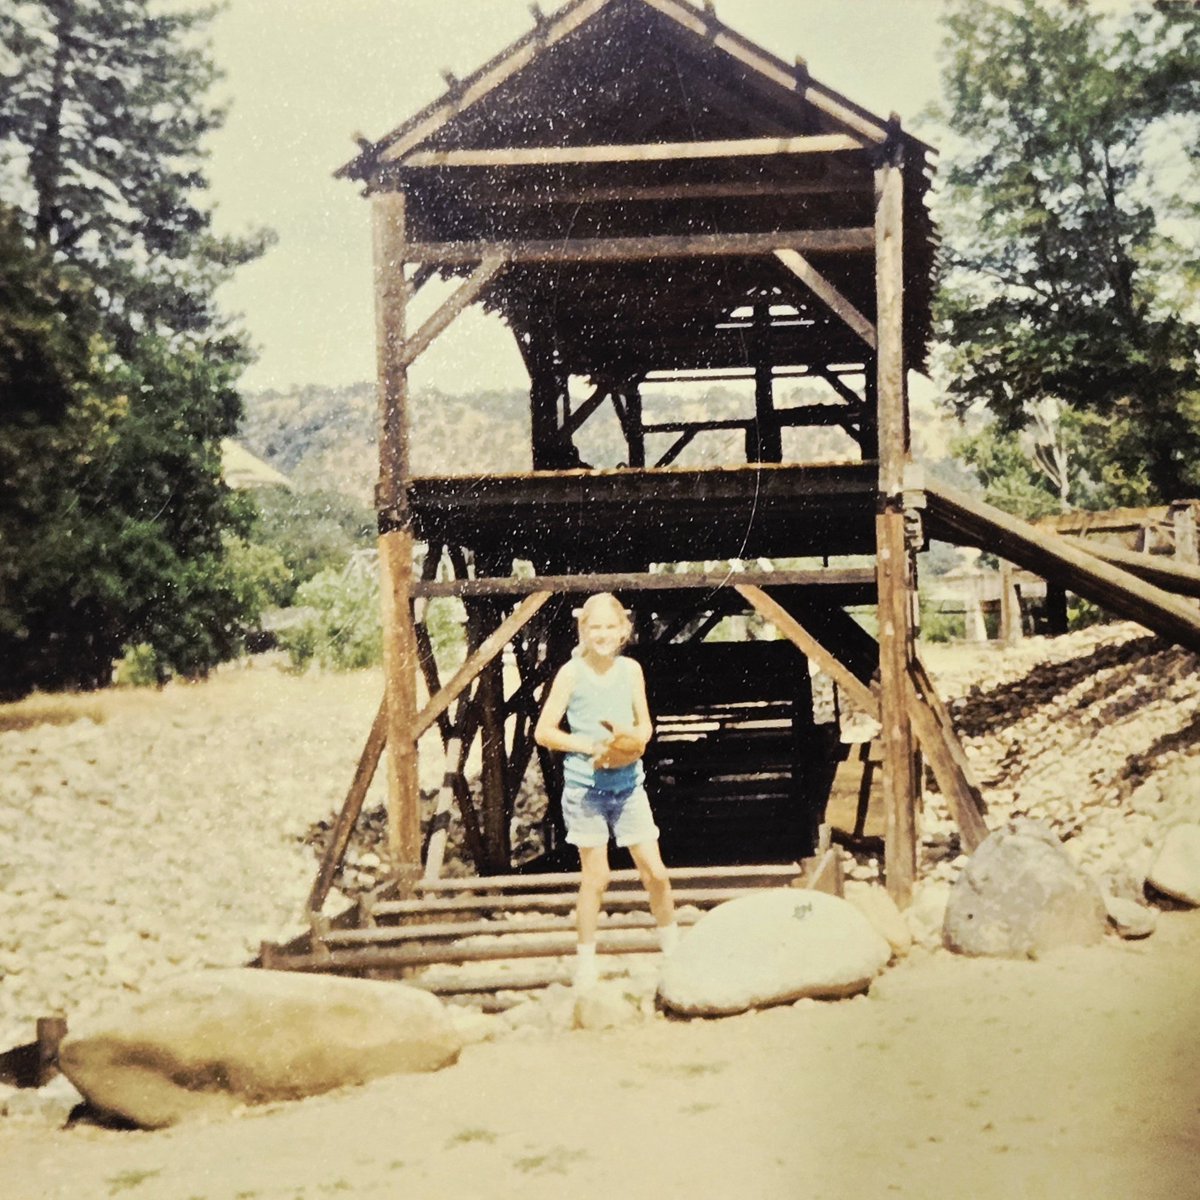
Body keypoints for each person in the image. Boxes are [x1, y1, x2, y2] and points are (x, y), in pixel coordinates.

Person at [534, 593, 678, 990]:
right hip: (585, 790)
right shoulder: (571, 673)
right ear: (583, 631)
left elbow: (646, 728)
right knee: (596, 878)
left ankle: (674, 951)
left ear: (623, 631)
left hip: (629, 786)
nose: (601, 634)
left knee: (657, 874)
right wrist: (589, 747)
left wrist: (629, 742)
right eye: (593, 627)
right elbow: (543, 731)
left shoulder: (631, 671)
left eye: (609, 627)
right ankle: (586, 963)